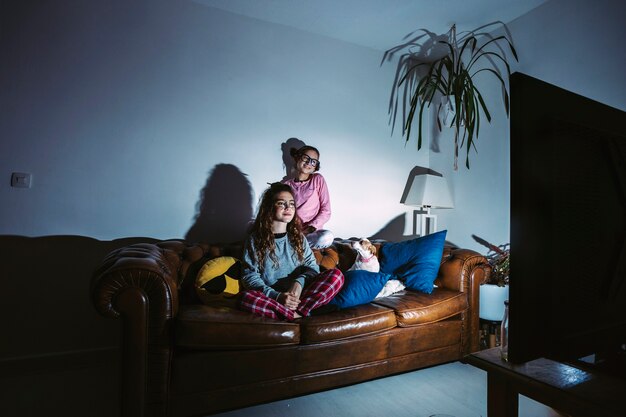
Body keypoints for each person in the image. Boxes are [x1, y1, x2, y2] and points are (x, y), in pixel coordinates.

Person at [239, 183, 344, 321]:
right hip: (272, 297)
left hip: (301, 296)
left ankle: (296, 313)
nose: (288, 208)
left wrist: (298, 283)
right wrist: (277, 296)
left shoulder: (298, 238)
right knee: (245, 298)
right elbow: (249, 276)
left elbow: (312, 267)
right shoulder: (255, 240)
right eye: (282, 203)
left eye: (292, 204)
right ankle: (301, 314)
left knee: (336, 275)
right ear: (269, 208)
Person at [282, 145, 334, 249]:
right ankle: (291, 245)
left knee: (327, 236)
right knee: (251, 225)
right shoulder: (286, 185)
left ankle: (292, 246)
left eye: (313, 161)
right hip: (291, 231)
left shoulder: (317, 179)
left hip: (311, 233)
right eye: (306, 158)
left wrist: (308, 229)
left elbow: (326, 211)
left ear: (316, 166)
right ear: (297, 158)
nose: (309, 163)